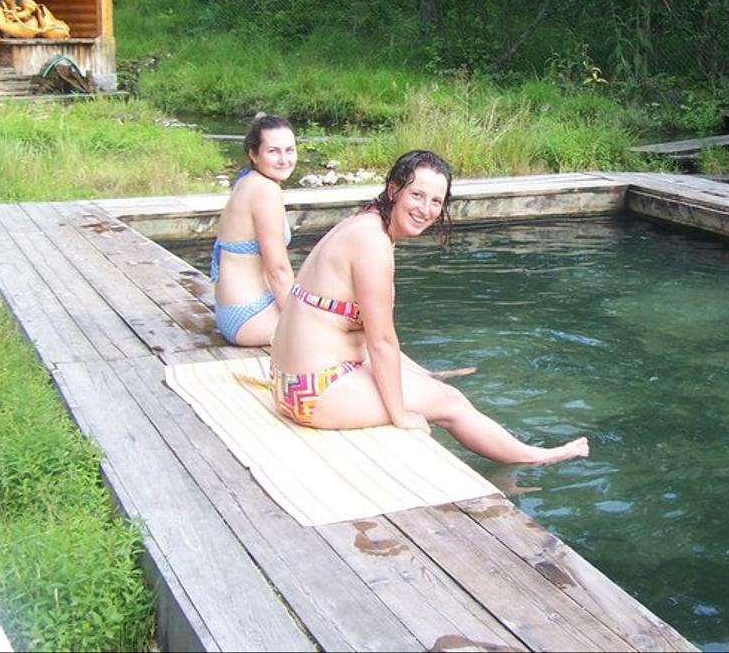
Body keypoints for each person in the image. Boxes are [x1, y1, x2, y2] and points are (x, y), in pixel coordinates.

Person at [268, 149, 590, 465]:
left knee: (426, 382)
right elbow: (381, 341)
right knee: (451, 402)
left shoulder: (363, 223)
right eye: (417, 195)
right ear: (394, 189)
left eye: (436, 201)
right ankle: (536, 457)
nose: (425, 209)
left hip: (292, 382)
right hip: (315, 393)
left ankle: (438, 389)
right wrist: (400, 414)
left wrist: (422, 376)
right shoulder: (372, 241)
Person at [212, 114, 297, 346]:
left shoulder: (246, 179)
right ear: (253, 153)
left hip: (236, 308)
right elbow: (277, 271)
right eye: (273, 151)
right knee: (347, 332)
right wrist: (300, 321)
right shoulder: (265, 190)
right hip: (250, 316)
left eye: (289, 150)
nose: (284, 160)